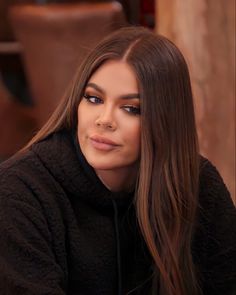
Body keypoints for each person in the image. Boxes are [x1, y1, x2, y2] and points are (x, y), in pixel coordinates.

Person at [0, 26, 235, 295]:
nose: (104, 120)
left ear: (166, 121)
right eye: (94, 98)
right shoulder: (17, 192)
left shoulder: (198, 185)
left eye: (131, 108)